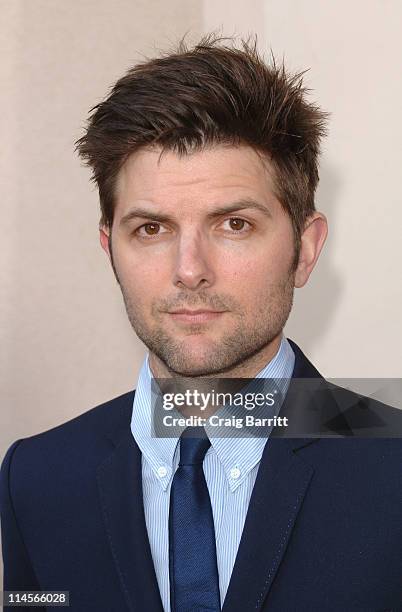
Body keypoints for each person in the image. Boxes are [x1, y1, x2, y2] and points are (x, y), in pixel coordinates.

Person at [1, 34, 401, 612]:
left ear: (306, 251)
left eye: (233, 225)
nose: (189, 271)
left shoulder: (392, 461)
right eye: (151, 229)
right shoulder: (36, 478)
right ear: (108, 249)